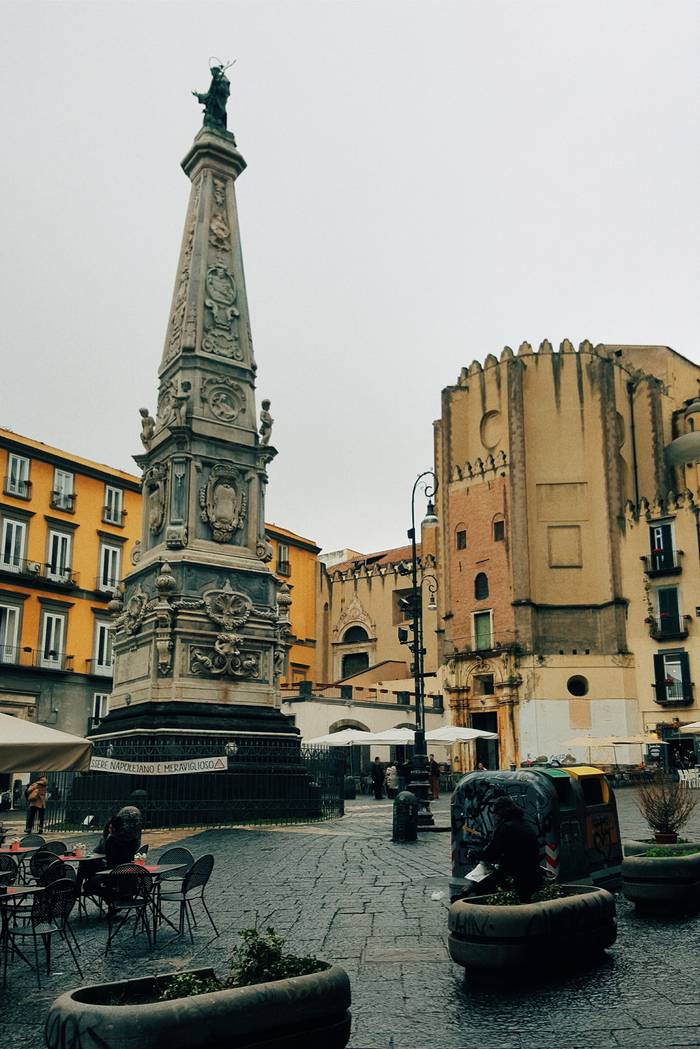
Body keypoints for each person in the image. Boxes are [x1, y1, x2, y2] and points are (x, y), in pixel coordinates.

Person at [482, 796, 543, 902]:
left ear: (499, 814)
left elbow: (492, 853)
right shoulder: (524, 824)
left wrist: (476, 854)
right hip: (534, 874)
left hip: (516, 877)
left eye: (495, 814)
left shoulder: (505, 827)